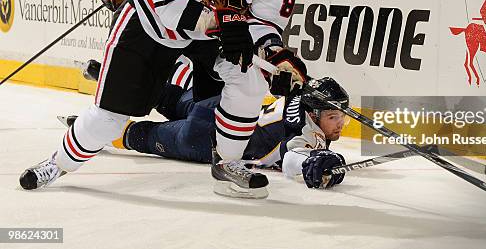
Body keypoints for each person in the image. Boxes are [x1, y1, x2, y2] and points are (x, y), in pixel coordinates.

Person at [19, 0, 306, 199]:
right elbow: (167, 5)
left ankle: (227, 166)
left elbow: (264, 23)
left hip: (201, 29)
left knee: (249, 79)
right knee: (108, 120)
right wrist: (224, 24)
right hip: (149, 18)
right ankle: (56, 164)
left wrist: (274, 55)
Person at [60, 77, 349, 190]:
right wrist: (311, 164)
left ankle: (108, 75)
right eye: (333, 117)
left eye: (341, 118)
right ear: (314, 114)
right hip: (206, 139)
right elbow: (291, 160)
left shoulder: (301, 97)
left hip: (217, 108)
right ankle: (88, 128)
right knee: (140, 135)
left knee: (168, 98)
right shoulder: (307, 134)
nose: (338, 124)